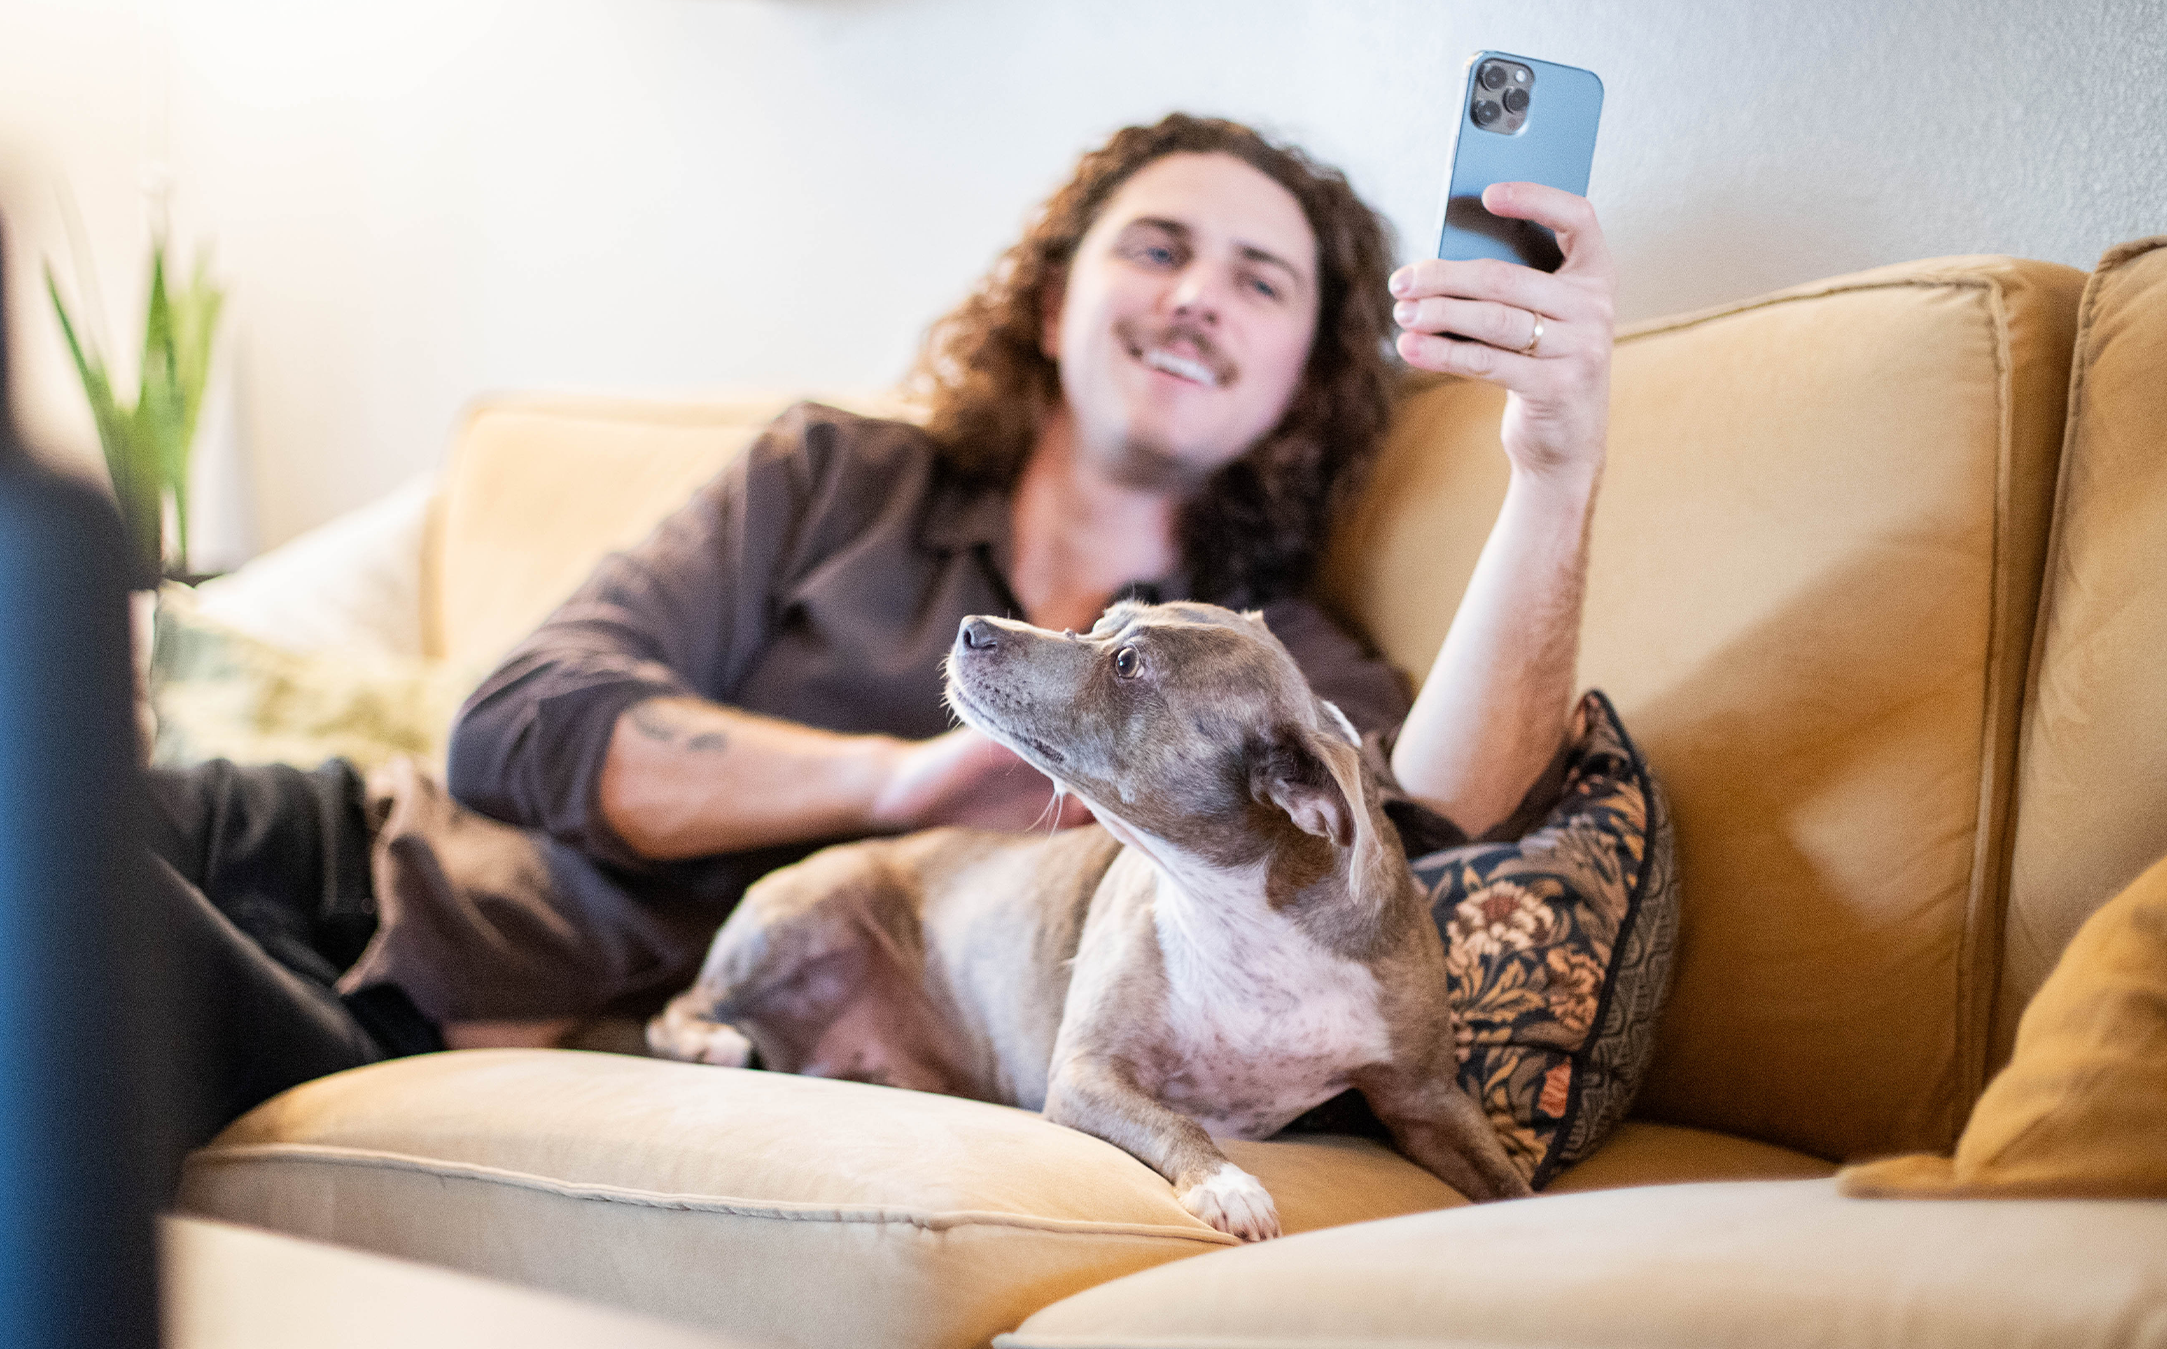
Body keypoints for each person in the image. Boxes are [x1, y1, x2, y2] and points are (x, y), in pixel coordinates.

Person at [149, 113, 1615, 1137]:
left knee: (13, 955)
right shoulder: (832, 478)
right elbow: (515, 719)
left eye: (1259, 280)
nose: (1196, 298)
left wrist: (1553, 463)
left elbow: (1437, 832)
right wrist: (896, 781)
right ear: (1053, 306)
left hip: (438, 1018)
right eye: (1154, 247)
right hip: (329, 843)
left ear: (1302, 375)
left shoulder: (1263, 678)